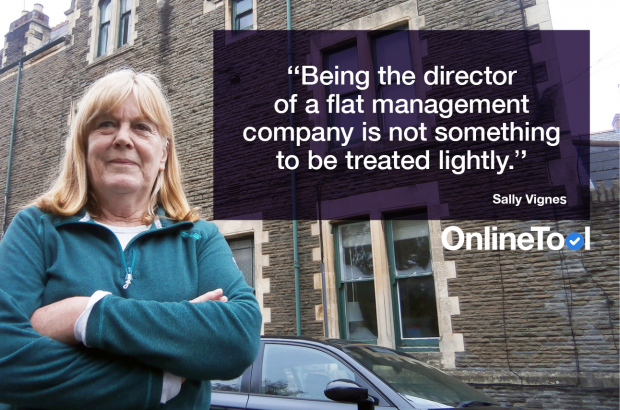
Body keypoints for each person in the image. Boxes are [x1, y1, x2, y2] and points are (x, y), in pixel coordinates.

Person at [0, 69, 262, 409]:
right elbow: (6, 357)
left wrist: (85, 315)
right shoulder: (36, 228)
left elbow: (238, 338)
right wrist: (158, 379)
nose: (123, 138)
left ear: (164, 153)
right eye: (106, 124)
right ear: (83, 144)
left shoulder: (198, 236)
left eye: (141, 127)